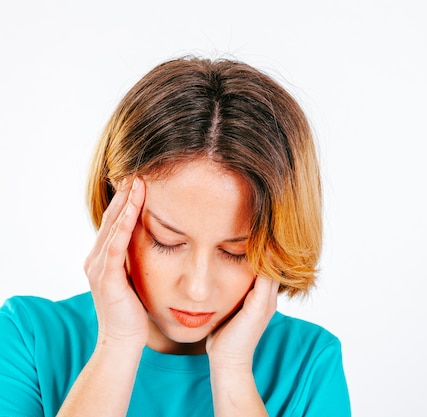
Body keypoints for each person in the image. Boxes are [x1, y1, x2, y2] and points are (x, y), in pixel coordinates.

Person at [0, 56, 351, 416]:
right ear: (114, 207)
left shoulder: (310, 364)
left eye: (236, 252)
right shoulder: (27, 336)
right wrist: (117, 345)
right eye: (166, 240)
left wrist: (232, 368)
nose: (197, 289)